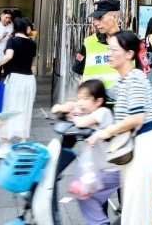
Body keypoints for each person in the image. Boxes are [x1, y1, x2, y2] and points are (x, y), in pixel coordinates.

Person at [87, 31, 152, 225]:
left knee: (137, 216)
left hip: (143, 149)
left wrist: (106, 132)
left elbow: (137, 118)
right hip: (132, 149)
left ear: (129, 54)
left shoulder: (135, 78)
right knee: (132, 213)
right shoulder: (122, 81)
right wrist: (73, 107)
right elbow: (101, 96)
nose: (109, 54)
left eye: (114, 50)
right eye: (108, 49)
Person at [52, 80, 121, 225]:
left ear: (98, 101)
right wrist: (63, 108)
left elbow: (81, 122)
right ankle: (100, 221)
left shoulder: (103, 112)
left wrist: (73, 113)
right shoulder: (89, 112)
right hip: (101, 170)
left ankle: (100, 222)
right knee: (89, 198)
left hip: (110, 171)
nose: (80, 102)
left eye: (85, 98)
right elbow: (57, 110)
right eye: (79, 98)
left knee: (86, 196)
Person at [0, 17, 37, 158]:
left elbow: (9, 56)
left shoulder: (12, 40)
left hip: (15, 78)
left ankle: (5, 142)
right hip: (29, 79)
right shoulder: (32, 43)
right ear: (26, 28)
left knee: (8, 107)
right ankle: (23, 141)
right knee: (25, 109)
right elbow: (32, 63)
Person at [72, 0, 122, 90]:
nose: (96, 23)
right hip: (95, 98)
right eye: (95, 19)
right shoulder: (88, 43)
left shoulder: (132, 42)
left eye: (100, 18)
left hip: (122, 98)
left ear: (114, 17)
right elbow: (81, 76)